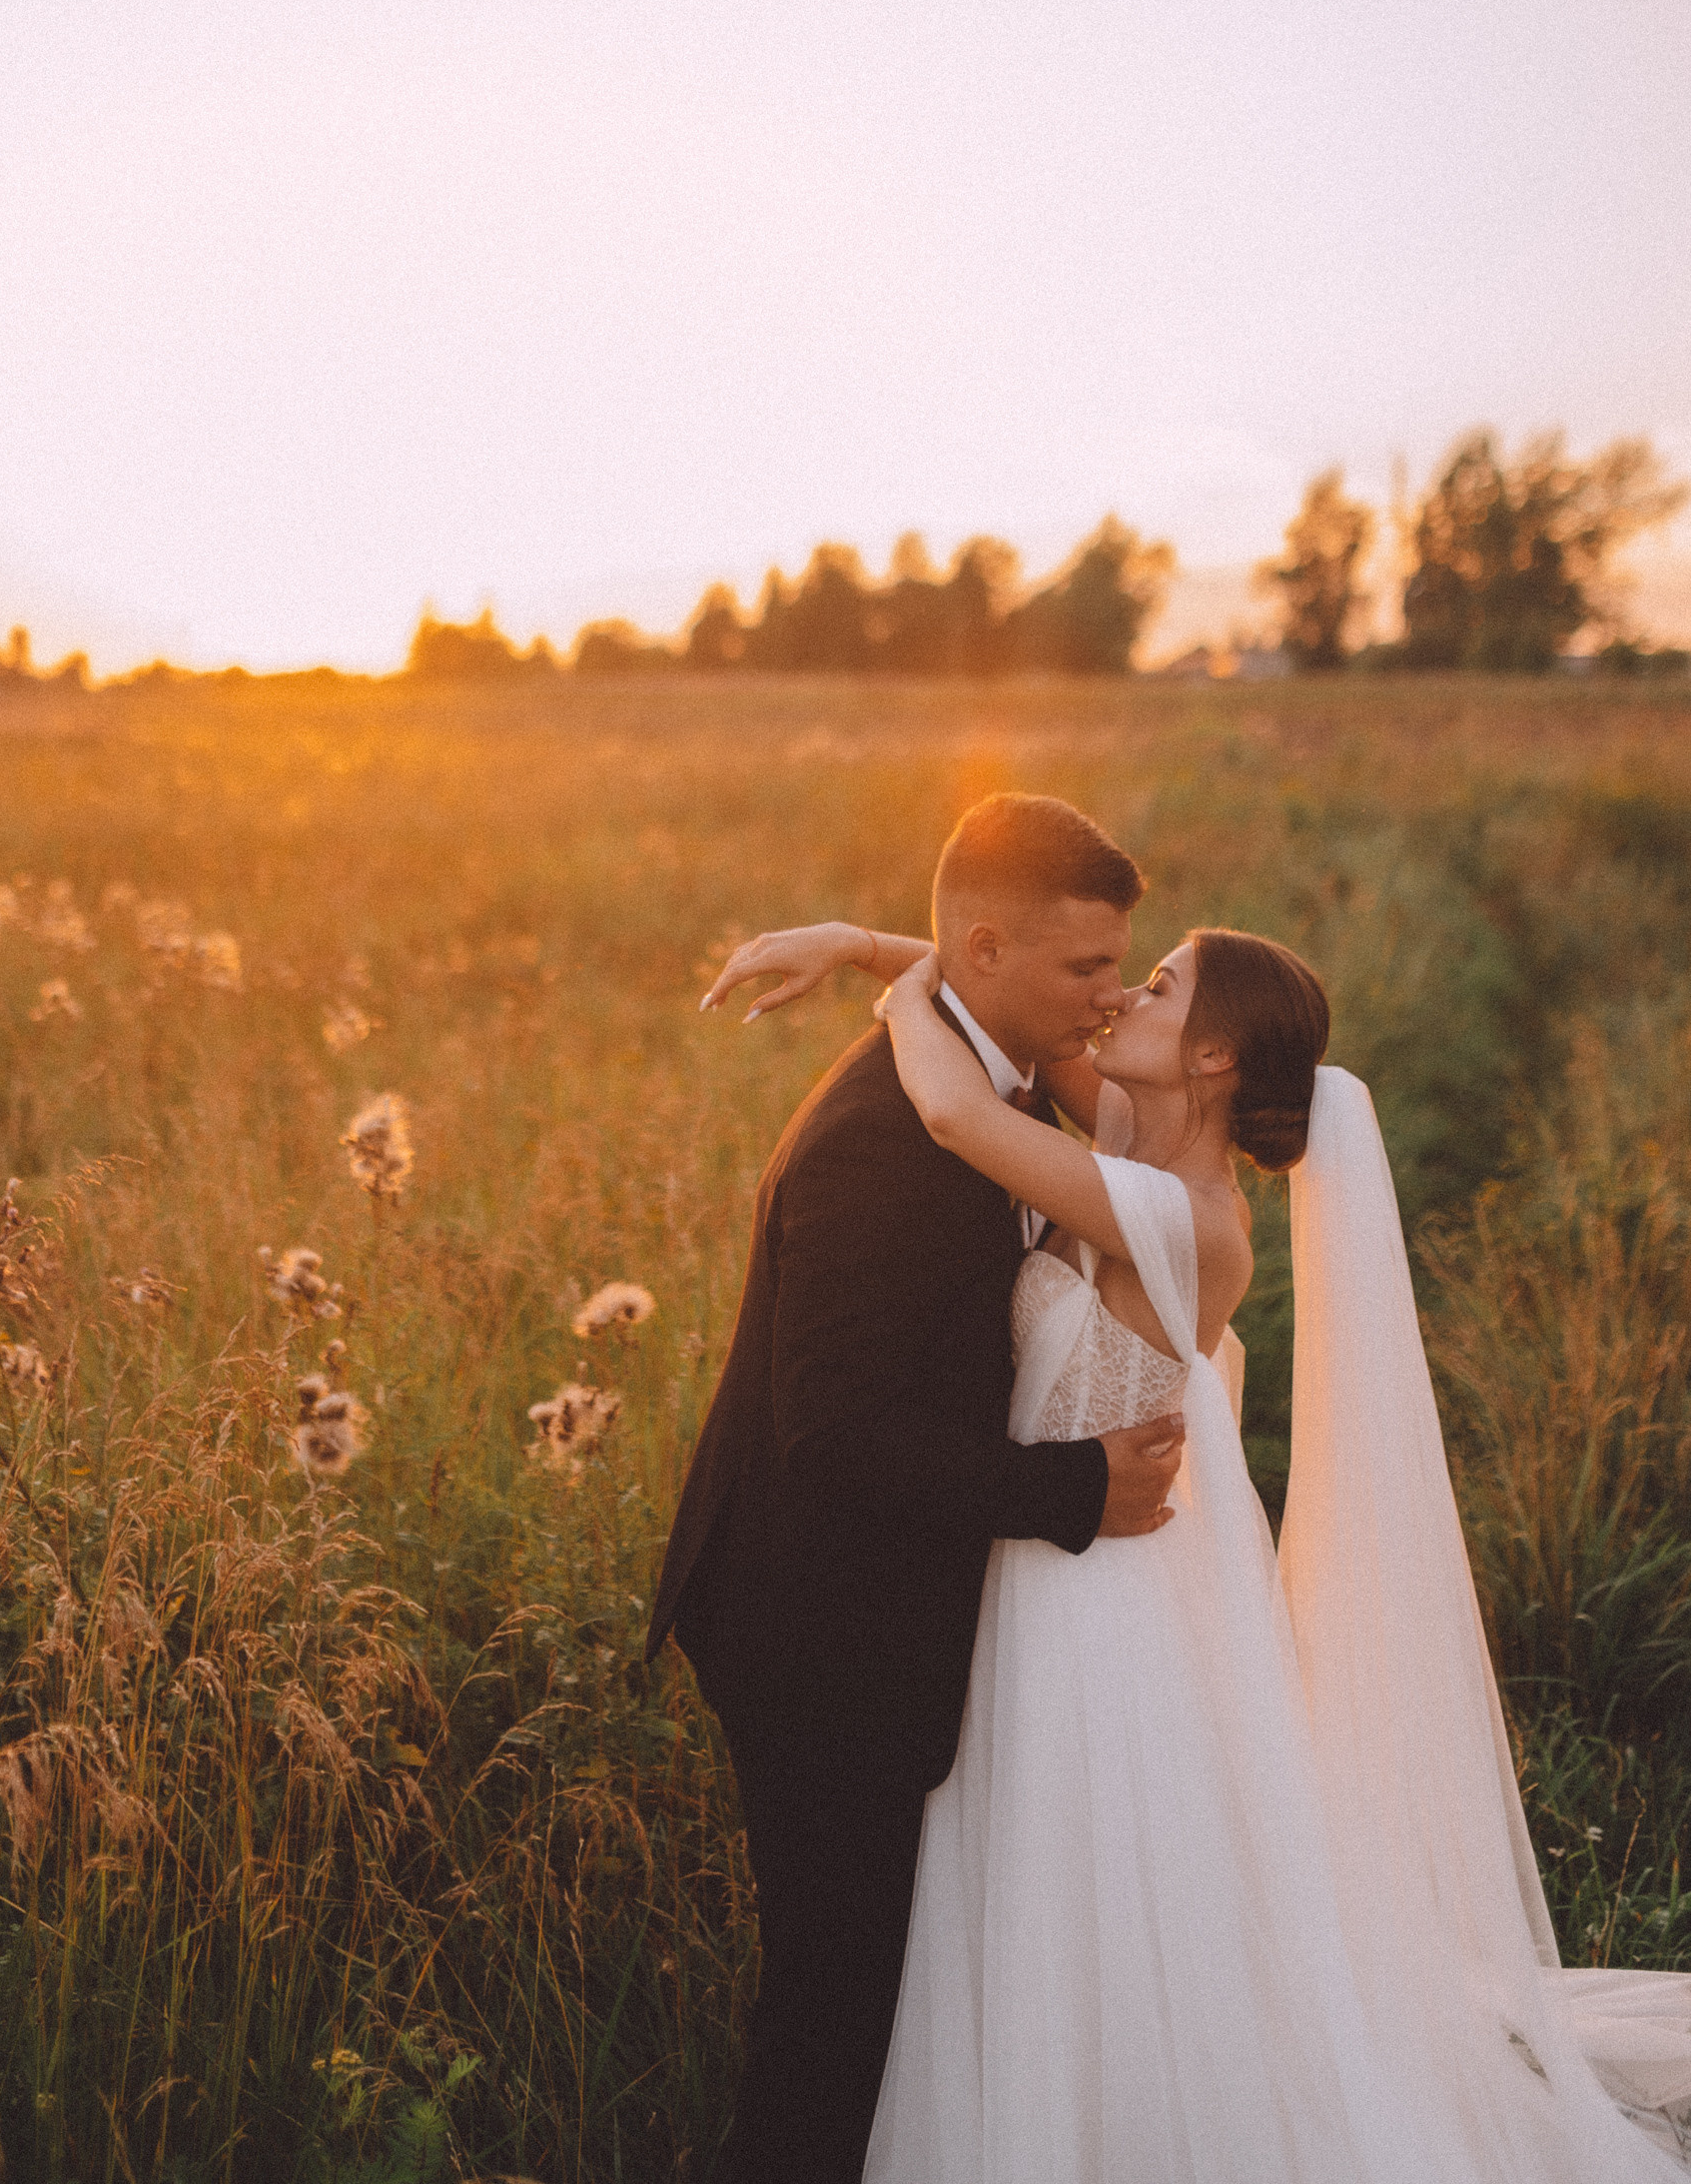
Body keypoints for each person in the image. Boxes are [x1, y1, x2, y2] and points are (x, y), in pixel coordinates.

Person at [705, 898, 1691, 2179]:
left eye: (1156, 985)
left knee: (1080, 1882)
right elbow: (1004, 1005)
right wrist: (856, 943)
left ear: (1215, 1057)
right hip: (1032, 1560)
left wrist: (893, 995)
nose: (1119, 999)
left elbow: (957, 1109)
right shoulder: (1127, 1132)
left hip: (1090, 1610)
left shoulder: (1184, 1218)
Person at [647, 795, 1186, 2184]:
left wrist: (864, 941)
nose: (1111, 996)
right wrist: (1076, 1490)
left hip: (878, 1607)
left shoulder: (984, 1061)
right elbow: (830, 1438)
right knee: (837, 2005)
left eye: (1124, 967)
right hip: (818, 1630)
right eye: (1086, 972)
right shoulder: (887, 1145)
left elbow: (982, 980)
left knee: (883, 1994)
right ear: (989, 953)